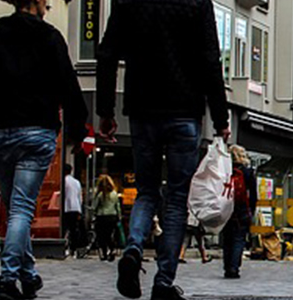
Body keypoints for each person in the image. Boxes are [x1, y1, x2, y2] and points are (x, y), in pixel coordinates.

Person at [98, 0, 232, 297]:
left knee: (146, 191)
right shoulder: (197, 3)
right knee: (176, 199)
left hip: (142, 109)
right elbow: (211, 59)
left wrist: (105, 110)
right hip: (185, 110)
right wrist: (221, 117)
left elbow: (107, 53)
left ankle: (133, 248)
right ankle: (163, 282)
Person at [0, 0, 88, 297]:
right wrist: (77, 128)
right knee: (22, 208)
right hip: (36, 133)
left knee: (17, 206)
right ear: (36, 1)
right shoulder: (49, 37)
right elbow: (68, 85)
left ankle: (28, 274)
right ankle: (7, 280)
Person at [221, 145, 257, 279]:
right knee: (238, 239)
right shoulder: (248, 172)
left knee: (227, 239)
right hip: (242, 209)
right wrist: (251, 211)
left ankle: (227, 267)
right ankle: (233, 268)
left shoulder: (224, 170)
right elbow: (253, 195)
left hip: (225, 208)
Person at [90, 175, 123, 262]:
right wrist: (119, 217)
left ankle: (104, 253)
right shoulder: (114, 194)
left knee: (101, 236)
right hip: (112, 216)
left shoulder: (100, 195)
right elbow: (118, 207)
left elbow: (94, 207)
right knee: (109, 235)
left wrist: (93, 215)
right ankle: (112, 249)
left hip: (102, 216)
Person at [64, 167, 87, 259]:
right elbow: (80, 197)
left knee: (66, 228)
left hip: (66, 208)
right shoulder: (76, 182)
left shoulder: (64, 181)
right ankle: (73, 248)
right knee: (74, 229)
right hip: (76, 208)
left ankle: (67, 247)